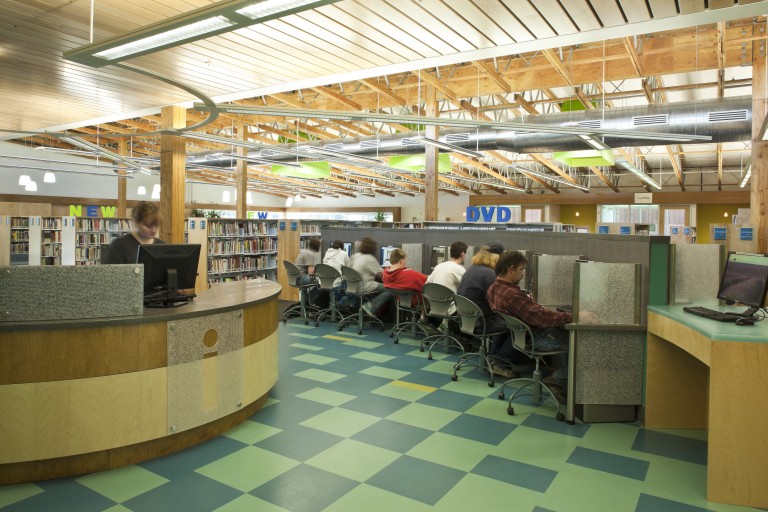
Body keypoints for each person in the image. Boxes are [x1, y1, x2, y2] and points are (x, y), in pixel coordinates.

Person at [487, 250, 572, 388]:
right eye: (521, 269)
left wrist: (531, 304)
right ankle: (559, 378)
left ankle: (562, 378)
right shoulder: (512, 294)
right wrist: (573, 316)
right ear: (511, 269)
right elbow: (540, 318)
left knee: (565, 332)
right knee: (577, 341)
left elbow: (530, 312)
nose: (523, 273)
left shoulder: (494, 288)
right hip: (537, 338)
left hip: (522, 337)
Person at [456, 242, 517, 378]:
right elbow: (498, 303)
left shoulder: (472, 269)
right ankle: (499, 361)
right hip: (482, 322)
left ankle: (495, 357)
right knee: (517, 324)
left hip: (468, 320)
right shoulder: (489, 274)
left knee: (503, 319)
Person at [351, 237, 392, 317]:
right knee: (392, 289)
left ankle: (368, 309)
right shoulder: (370, 258)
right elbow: (384, 275)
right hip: (364, 286)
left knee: (379, 287)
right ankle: (371, 307)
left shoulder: (355, 256)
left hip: (352, 287)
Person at [296, 237, 321, 305]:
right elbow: (310, 272)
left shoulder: (304, 251)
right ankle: (310, 302)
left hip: (296, 278)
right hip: (301, 279)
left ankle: (306, 304)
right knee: (321, 284)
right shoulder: (309, 254)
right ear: (317, 246)